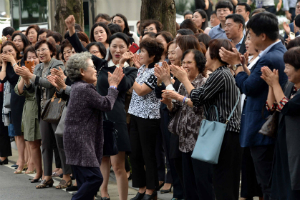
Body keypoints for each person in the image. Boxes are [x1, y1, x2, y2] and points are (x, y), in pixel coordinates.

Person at [65, 15, 138, 200]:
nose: (118, 50)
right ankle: (103, 194)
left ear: (128, 48)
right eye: (114, 46)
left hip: (116, 117)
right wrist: (71, 29)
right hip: (97, 118)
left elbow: (121, 86)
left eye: (122, 46)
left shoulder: (131, 69)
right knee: (100, 160)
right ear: (109, 47)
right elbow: (81, 50)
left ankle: (123, 198)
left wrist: (121, 65)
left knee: (118, 165)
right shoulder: (102, 65)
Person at [168, 39, 242, 200]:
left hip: (225, 134)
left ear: (214, 54)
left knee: (222, 183)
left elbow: (198, 98)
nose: (205, 55)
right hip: (222, 133)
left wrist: (184, 79)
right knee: (219, 181)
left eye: (208, 51)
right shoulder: (220, 74)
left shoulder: (220, 74)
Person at [225, 12, 288, 200]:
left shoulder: (269, 58)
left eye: (250, 33)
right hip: (266, 125)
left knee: (266, 184)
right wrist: (244, 67)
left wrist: (236, 65)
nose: (248, 38)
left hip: (263, 128)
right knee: (263, 183)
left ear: (263, 36)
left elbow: (249, 88)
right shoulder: (277, 52)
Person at [64, 52, 124, 200]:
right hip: (80, 141)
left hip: (76, 140)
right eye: (92, 66)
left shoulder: (79, 86)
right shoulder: (84, 88)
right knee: (95, 178)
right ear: (82, 71)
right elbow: (107, 104)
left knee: (86, 181)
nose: (96, 69)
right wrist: (113, 86)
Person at [162, 49, 214, 200]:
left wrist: (178, 97)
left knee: (203, 183)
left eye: (189, 62)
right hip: (184, 140)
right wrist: (169, 103)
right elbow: (176, 110)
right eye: (183, 62)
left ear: (199, 64)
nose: (185, 65)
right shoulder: (183, 84)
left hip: (200, 139)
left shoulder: (204, 82)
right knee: (188, 185)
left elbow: (199, 105)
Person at [16, 38, 65, 188]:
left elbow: (51, 82)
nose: (40, 53)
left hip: (56, 108)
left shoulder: (57, 64)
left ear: (51, 50)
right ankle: (47, 176)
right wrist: (26, 78)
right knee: (46, 144)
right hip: (43, 110)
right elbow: (31, 89)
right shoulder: (37, 67)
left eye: (43, 49)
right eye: (38, 50)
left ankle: (67, 176)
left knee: (60, 144)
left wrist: (31, 77)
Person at [261, 47, 300, 200]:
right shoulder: (290, 86)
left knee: (293, 187)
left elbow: (287, 107)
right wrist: (271, 85)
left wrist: (275, 84)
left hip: (296, 147)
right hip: (283, 144)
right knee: (281, 187)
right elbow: (272, 108)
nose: (285, 70)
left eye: (289, 66)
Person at [128, 38, 164, 200]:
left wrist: (128, 78)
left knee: (148, 154)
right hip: (135, 114)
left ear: (153, 55)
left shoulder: (157, 69)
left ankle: (151, 190)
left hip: (149, 117)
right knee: (135, 153)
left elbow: (142, 90)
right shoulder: (141, 68)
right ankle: (141, 188)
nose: (139, 54)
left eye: (143, 51)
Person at [14, 45, 42, 182]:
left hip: (43, 106)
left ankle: (47, 172)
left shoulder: (44, 69)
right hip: (30, 108)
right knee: (32, 143)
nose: (32, 60)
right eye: (29, 58)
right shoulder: (25, 71)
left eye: (34, 57)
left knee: (48, 144)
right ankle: (38, 171)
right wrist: (23, 76)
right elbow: (18, 91)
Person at [0, 41, 26, 174]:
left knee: (25, 132)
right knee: (17, 132)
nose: (7, 54)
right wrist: (4, 64)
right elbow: (2, 79)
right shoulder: (7, 65)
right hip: (14, 100)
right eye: (4, 52)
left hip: (25, 98)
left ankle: (26, 161)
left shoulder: (21, 63)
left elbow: (18, 75)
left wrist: (12, 61)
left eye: (10, 51)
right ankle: (21, 161)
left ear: (16, 51)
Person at [0, 54, 12, 165]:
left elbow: (2, 80)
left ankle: (4, 155)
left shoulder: (8, 67)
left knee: (3, 129)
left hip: (5, 99)